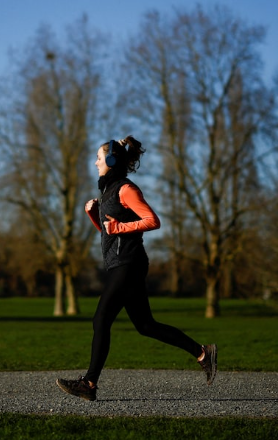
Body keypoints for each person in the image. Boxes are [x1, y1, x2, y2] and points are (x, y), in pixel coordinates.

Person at [56, 136, 217, 402]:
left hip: (129, 265)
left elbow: (152, 220)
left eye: (99, 157)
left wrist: (119, 226)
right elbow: (110, 235)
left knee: (101, 320)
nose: (95, 161)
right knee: (145, 325)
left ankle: (89, 383)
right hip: (121, 263)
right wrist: (94, 217)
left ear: (110, 161)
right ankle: (203, 353)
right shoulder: (107, 191)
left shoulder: (126, 189)